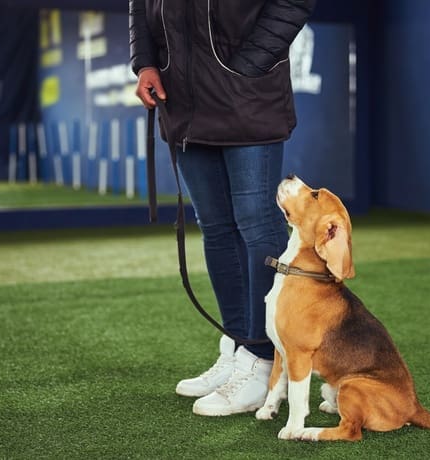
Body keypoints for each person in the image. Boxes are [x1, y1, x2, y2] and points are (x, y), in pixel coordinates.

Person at [129, 0, 317, 416]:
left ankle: (262, 356)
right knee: (214, 226)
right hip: (183, 100)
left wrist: (247, 66)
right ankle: (237, 348)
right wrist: (144, 63)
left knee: (256, 223)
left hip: (247, 97)